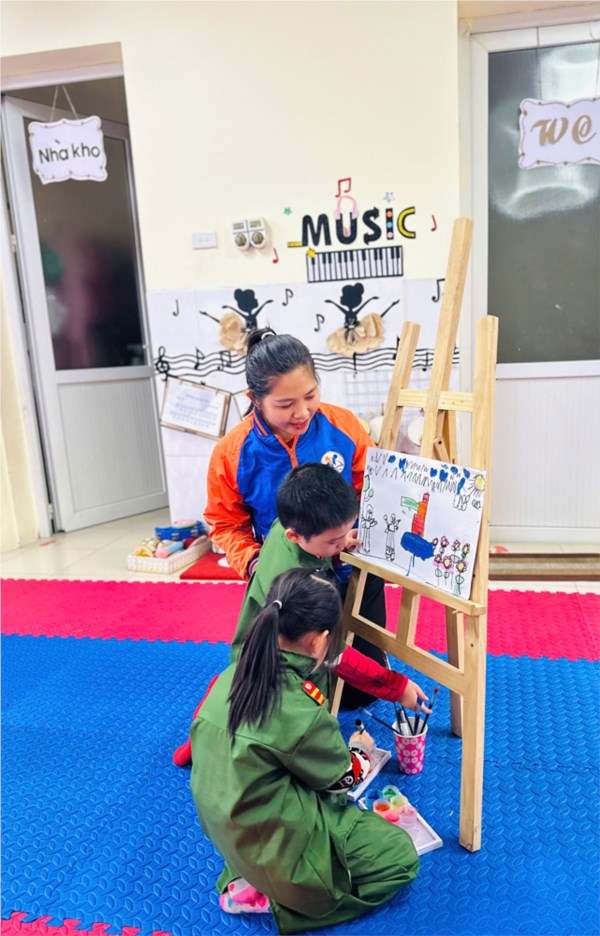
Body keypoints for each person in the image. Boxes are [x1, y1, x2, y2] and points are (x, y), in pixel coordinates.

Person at [190, 568, 420, 935]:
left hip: (228, 830)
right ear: (318, 641)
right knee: (400, 856)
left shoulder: (231, 675)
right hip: (274, 843)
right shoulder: (301, 708)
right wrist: (360, 751)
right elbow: (341, 779)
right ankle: (285, 904)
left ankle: (250, 878)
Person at [173, 465, 429, 766]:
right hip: (281, 668)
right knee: (298, 727)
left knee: (236, 692)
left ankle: (203, 732)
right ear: (296, 536)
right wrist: (395, 686)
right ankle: (206, 738)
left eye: (344, 534)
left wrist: (337, 544)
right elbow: (334, 655)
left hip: (248, 656)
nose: (341, 544)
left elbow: (317, 545)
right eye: (333, 541)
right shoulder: (301, 586)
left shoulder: (285, 526)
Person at [204, 327, 388, 673]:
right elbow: (225, 524)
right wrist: (256, 563)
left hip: (352, 569)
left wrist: (360, 536)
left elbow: (374, 491)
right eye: (285, 404)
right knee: (296, 679)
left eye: (310, 395)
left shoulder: (343, 425)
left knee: (361, 683)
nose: (302, 412)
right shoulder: (232, 452)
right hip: (288, 585)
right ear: (255, 398)